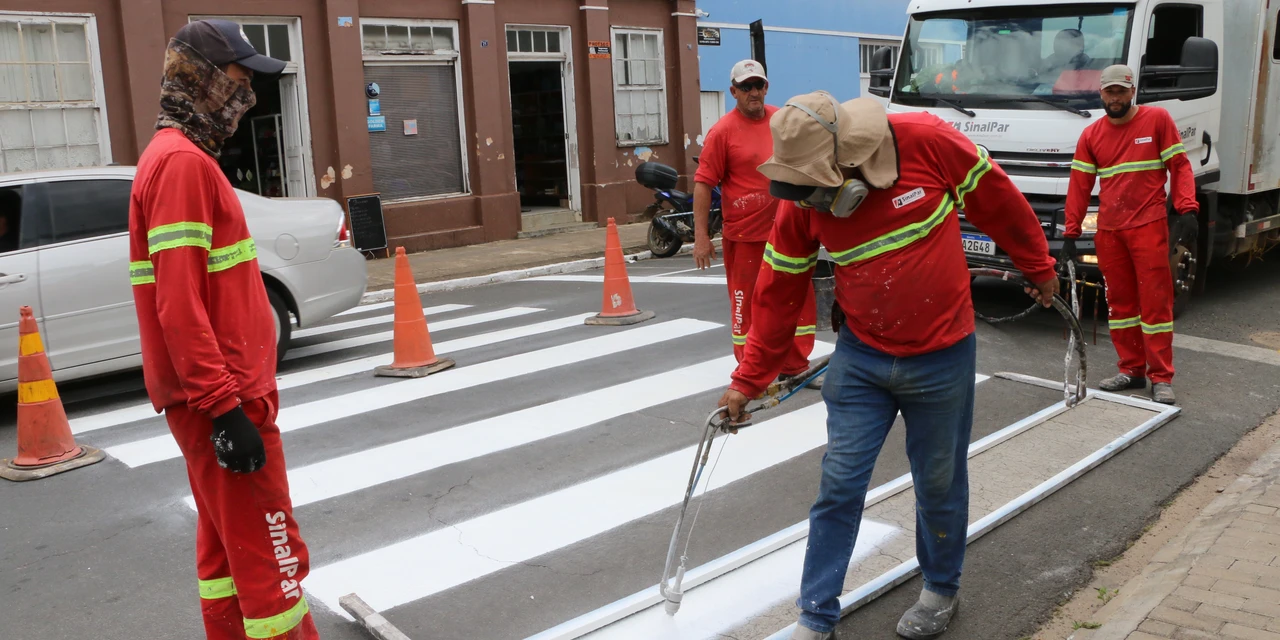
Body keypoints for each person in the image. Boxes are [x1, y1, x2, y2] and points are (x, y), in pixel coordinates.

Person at [717, 91, 1058, 640]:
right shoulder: (801, 201)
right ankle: (816, 614)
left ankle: (940, 587)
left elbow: (999, 202)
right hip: (862, 358)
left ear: (847, 164)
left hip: (942, 356)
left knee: (939, 482)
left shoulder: (928, 143)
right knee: (840, 483)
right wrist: (748, 379)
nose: (809, 198)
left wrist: (1038, 265)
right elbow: (777, 294)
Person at [128, 20, 319, 639]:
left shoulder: (177, 159)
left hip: (216, 397)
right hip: (226, 397)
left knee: (225, 554)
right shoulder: (182, 165)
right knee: (272, 560)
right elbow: (178, 306)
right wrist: (225, 409)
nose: (247, 97)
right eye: (238, 80)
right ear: (202, 80)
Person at [1063, 64, 1197, 405]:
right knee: (1120, 305)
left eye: (1121, 91)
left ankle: (1161, 377)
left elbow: (1179, 166)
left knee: (1155, 304)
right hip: (1109, 232)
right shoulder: (1092, 135)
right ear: (1101, 94)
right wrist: (1071, 231)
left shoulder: (1157, 120)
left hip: (1148, 227)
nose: (1115, 98)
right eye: (1109, 92)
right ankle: (1132, 370)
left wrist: (1187, 208)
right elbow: (1079, 185)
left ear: (1132, 91)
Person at [693, 60, 818, 384]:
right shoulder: (722, 132)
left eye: (758, 85)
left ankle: (796, 367)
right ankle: (751, 374)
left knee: (798, 298)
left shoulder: (782, 121)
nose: (753, 92)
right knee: (747, 305)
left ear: (767, 87)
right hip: (745, 236)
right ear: (733, 91)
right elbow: (704, 184)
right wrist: (701, 236)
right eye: (746, 87)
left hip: (789, 232)